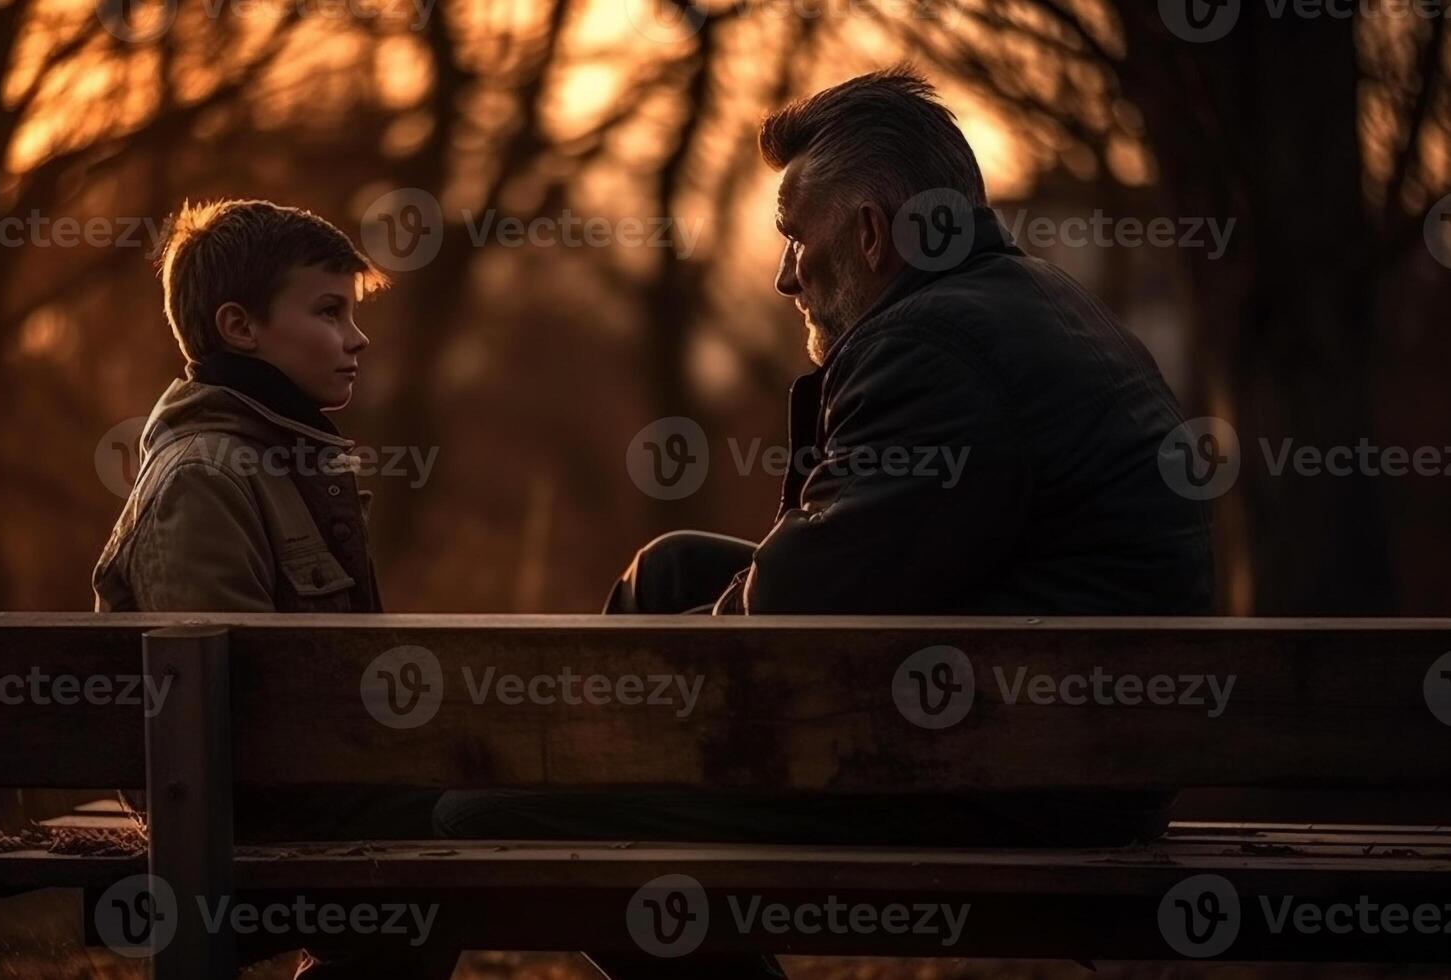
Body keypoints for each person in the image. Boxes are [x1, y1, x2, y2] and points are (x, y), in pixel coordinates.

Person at [433, 67, 1215, 980]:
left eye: (793, 238)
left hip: (1014, 779)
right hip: (1059, 738)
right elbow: (848, 564)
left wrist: (585, 711)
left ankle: (592, 781)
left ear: (871, 234)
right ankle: (610, 770)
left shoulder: (931, 348)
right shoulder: (1029, 301)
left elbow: (792, 627)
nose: (779, 274)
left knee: (489, 818)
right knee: (677, 568)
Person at [91, 199, 450, 978]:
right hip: (237, 814)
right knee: (472, 825)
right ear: (238, 327)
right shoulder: (204, 480)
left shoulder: (276, 463)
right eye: (328, 311)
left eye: (351, 312)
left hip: (313, 793)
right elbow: (225, 710)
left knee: (480, 826)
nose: (356, 337)